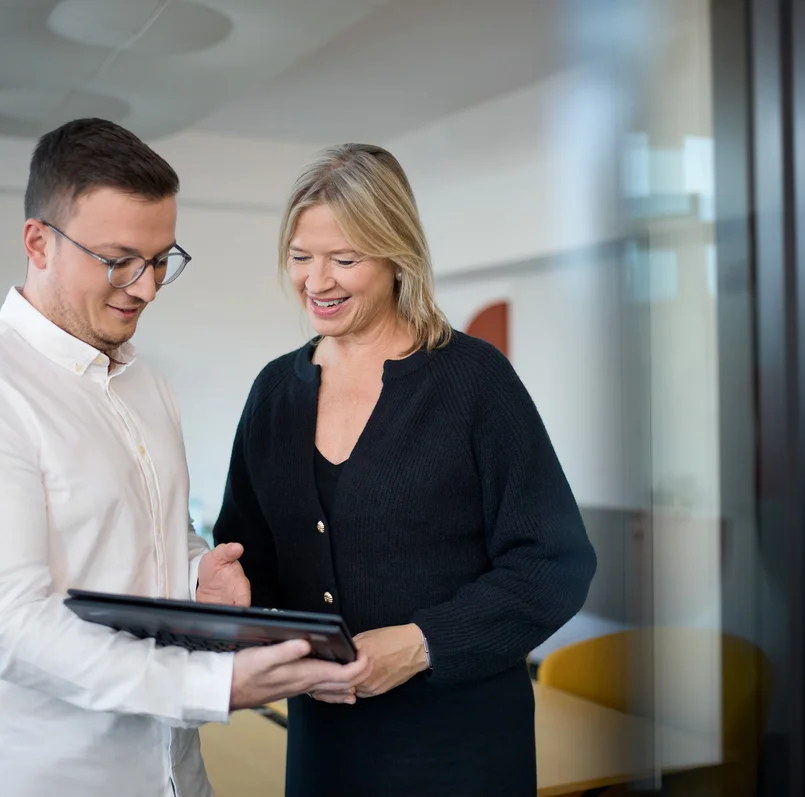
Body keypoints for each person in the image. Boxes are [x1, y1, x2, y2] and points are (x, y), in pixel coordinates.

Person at [0, 119, 370, 797]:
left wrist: (196, 573)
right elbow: (8, 627)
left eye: (160, 260)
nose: (145, 288)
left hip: (175, 773)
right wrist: (215, 682)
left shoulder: (145, 383)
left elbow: (152, 541)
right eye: (120, 259)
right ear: (38, 242)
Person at [213, 143, 598, 797]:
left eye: (344, 259)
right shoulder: (274, 392)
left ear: (396, 256)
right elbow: (255, 559)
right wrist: (232, 588)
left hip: (459, 752)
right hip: (322, 748)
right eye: (301, 256)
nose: (317, 280)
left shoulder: (474, 381)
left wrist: (423, 642)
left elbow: (554, 565)